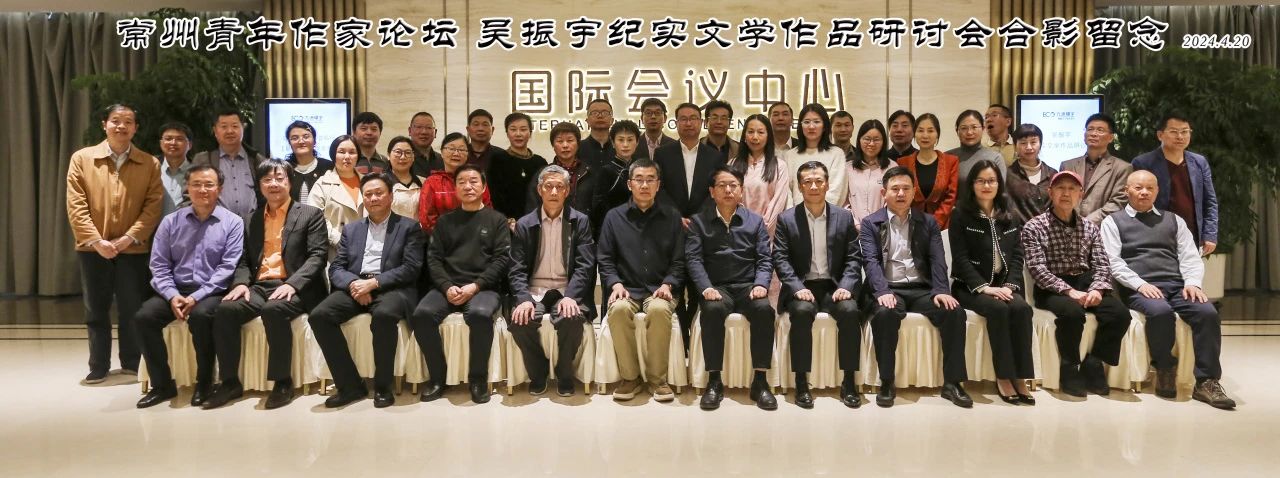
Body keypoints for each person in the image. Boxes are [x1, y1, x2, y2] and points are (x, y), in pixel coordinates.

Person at [1101, 170, 1234, 409]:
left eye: (1150, 188)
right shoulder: (1113, 222)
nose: (1144, 192)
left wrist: (1192, 283)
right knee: (1160, 312)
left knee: (1207, 313)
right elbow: (1113, 262)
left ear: (1157, 191)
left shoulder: (1174, 220)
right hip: (1138, 288)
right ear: (1126, 190)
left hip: (1177, 285)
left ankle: (1206, 381)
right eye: (1138, 188)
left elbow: (1190, 256)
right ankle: (1164, 367)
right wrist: (1140, 284)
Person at [208, 159, 327, 409]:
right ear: (260, 185)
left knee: (274, 310)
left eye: (279, 178)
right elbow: (243, 259)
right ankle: (230, 382)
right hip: (260, 285)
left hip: (296, 285)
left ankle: (282, 382)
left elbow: (317, 256)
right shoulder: (252, 218)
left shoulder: (310, 214)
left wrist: (293, 284)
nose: (274, 184)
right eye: (267, 179)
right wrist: (240, 284)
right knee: (226, 310)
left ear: (289, 182)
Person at [66, 104, 163, 384]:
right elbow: (76, 205)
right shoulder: (82, 158)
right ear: (104, 124)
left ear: (136, 128)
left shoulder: (149, 163)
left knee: (132, 307)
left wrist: (127, 238)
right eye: (115, 121)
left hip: (132, 249)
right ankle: (98, 365)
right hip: (92, 248)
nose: (121, 126)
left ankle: (132, 362)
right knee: (95, 308)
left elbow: (152, 207)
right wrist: (97, 241)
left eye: (128, 122)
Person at [310, 173, 425, 409]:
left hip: (392, 288)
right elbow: (337, 268)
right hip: (356, 285)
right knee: (320, 316)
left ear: (391, 196)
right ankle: (350, 385)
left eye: (379, 193)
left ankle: (383, 386)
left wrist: (374, 283)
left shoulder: (409, 227)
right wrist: (355, 284)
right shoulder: (352, 229)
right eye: (368, 194)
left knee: (383, 315)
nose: (373, 198)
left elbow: (411, 268)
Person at [134, 165, 244, 408]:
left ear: (219, 189)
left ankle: (204, 382)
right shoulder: (170, 222)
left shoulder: (233, 222)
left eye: (209, 185)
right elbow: (159, 265)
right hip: (175, 289)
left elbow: (227, 268)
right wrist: (172, 295)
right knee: (144, 318)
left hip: (211, 291)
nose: (202, 190)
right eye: (196, 184)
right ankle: (162, 384)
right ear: (187, 188)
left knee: (202, 317)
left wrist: (196, 297)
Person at [860, 166, 970, 408]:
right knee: (885, 314)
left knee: (954, 312)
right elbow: (871, 261)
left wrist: (941, 290)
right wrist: (882, 291)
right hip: (889, 288)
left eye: (906, 188)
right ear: (884, 193)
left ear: (913, 193)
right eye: (895, 189)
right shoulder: (870, 223)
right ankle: (887, 381)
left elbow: (937, 259)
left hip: (922, 289)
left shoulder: (928, 222)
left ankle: (953, 383)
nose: (901, 193)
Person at [1021, 171, 1129, 398]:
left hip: (1086, 282)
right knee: (1072, 313)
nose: (1066, 193)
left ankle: (1094, 362)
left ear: (1081, 194)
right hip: (1052, 287)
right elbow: (1037, 269)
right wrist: (1069, 291)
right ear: (1050, 192)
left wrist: (1097, 288)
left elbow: (1102, 264)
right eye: (1060, 188)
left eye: (1072, 189)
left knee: (1119, 314)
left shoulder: (1090, 227)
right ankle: (1069, 367)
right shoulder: (1034, 227)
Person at [413, 165, 511, 404]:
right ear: (455, 189)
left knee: (479, 314)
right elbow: (433, 259)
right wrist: (447, 286)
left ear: (484, 187)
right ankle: (438, 378)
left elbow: (501, 260)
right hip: (447, 286)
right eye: (462, 182)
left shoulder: (497, 220)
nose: (468, 186)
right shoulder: (445, 221)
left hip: (483, 288)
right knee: (422, 315)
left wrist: (475, 286)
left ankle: (477, 379)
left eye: (474, 181)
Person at [773, 161, 863, 409]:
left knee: (850, 311)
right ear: (800, 186)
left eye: (818, 181)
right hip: (802, 285)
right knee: (801, 313)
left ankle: (849, 382)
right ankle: (801, 383)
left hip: (834, 286)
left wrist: (846, 285)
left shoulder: (843, 217)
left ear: (827, 184)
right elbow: (780, 258)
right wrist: (796, 287)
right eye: (807, 182)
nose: (813, 186)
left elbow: (854, 257)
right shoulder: (787, 219)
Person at [687, 166, 778, 411]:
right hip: (717, 288)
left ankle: (760, 381)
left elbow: (765, 259)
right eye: (722, 185)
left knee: (764, 309)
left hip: (748, 286)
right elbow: (693, 259)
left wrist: (761, 284)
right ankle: (714, 381)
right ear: (712, 191)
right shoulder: (699, 222)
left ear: (741, 190)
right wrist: (706, 287)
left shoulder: (755, 221)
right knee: (712, 310)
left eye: (733, 186)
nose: (728, 190)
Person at [598, 158, 685, 403]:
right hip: (626, 288)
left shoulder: (672, 217)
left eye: (650, 180)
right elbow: (605, 258)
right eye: (639, 180)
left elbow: (680, 260)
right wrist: (615, 283)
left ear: (658, 184)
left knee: (658, 310)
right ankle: (630, 378)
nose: (644, 185)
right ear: (629, 184)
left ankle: (658, 380)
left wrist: (668, 283)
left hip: (660, 288)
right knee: (617, 310)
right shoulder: (614, 217)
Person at [949, 160, 1035, 405]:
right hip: (971, 287)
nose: (986, 186)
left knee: (1022, 309)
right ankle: (1004, 375)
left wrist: (1009, 286)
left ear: (999, 184)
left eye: (991, 181)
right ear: (972, 184)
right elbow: (960, 258)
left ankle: (1021, 376)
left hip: (1004, 284)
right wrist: (985, 288)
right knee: (998, 309)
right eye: (981, 181)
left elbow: (1017, 255)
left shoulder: (1010, 214)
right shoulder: (960, 214)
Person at [508, 165, 595, 397]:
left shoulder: (580, 221)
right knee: (520, 321)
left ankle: (564, 374)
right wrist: (523, 299)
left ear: (567, 191)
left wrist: (571, 297)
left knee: (571, 318)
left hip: (566, 289)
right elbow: (516, 268)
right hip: (534, 290)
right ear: (540, 190)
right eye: (549, 186)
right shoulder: (525, 224)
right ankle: (538, 373)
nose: (554, 191)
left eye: (559, 187)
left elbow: (585, 265)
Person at [655, 102, 726, 339]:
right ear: (675, 123)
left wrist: (696, 219)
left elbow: (714, 191)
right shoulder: (663, 153)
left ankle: (695, 340)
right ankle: (680, 340)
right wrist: (677, 217)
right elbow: (660, 189)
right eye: (683, 119)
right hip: (671, 229)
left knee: (698, 286)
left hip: (702, 229)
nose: (688, 123)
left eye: (693, 118)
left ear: (702, 123)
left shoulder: (714, 156)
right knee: (674, 284)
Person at [1131, 114, 1219, 256]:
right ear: (1160, 135)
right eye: (1173, 131)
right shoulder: (1143, 162)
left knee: (1191, 271)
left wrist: (1210, 235)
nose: (1180, 136)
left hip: (1191, 235)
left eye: (1185, 131)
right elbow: (1136, 203)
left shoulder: (1199, 162)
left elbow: (1210, 201)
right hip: (1155, 235)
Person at [192, 109, 268, 224]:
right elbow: (190, 194)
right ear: (215, 131)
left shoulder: (257, 160)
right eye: (224, 126)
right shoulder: (203, 160)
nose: (230, 131)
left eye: (235, 126)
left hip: (252, 226)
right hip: (215, 225)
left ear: (243, 128)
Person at [1060, 113, 1132, 224]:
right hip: (1067, 226)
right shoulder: (1067, 165)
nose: (1093, 134)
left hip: (1102, 228)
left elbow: (1117, 202)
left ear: (1111, 138)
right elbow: (1061, 196)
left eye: (1100, 130)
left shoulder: (1123, 168)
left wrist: (1086, 223)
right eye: (1090, 129)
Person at [527, 122, 597, 231]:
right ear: (553, 146)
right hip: (550, 230)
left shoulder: (589, 173)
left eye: (570, 140)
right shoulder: (543, 174)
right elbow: (532, 207)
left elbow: (597, 208)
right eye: (559, 141)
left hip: (583, 231)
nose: (565, 145)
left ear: (578, 144)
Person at [728, 114, 790, 237]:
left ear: (768, 136)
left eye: (761, 132)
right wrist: (743, 227)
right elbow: (729, 199)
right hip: (737, 233)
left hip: (768, 234)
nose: (755, 137)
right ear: (744, 136)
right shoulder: (732, 164)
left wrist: (761, 229)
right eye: (750, 132)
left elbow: (778, 203)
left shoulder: (779, 166)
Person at [419, 132, 493, 234]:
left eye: (461, 149)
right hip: (442, 240)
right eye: (451, 148)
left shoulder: (477, 180)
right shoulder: (432, 182)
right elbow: (427, 219)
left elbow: (487, 212)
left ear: (467, 154)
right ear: (442, 152)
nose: (456, 153)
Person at [896, 113, 959, 229]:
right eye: (920, 130)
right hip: (911, 225)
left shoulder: (951, 162)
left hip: (942, 227)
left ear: (937, 134)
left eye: (930, 131)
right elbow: (901, 195)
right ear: (914, 134)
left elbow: (950, 197)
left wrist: (934, 224)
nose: (925, 135)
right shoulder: (903, 162)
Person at [307, 135, 365, 256]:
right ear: (333, 155)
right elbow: (315, 219)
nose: (347, 157)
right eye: (341, 152)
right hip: (334, 250)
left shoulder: (368, 182)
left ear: (358, 156)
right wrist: (340, 241)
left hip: (366, 249)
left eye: (352, 152)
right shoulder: (322, 184)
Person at [489, 112, 548, 221]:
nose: (518, 134)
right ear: (507, 133)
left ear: (530, 133)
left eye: (523, 129)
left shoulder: (540, 162)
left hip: (536, 221)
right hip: (506, 222)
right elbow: (494, 196)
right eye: (513, 129)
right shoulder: (497, 160)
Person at [787, 103, 849, 207]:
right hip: (795, 215)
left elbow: (836, 191)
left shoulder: (836, 154)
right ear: (800, 126)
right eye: (806, 122)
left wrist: (818, 212)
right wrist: (794, 214)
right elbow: (787, 192)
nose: (811, 126)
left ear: (824, 126)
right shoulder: (790, 155)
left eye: (816, 122)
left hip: (828, 214)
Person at [592, 120, 642, 237]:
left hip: (640, 229)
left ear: (637, 142)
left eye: (630, 140)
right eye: (621, 140)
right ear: (613, 143)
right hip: (614, 229)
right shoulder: (606, 171)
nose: (625, 144)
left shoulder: (642, 170)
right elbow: (598, 206)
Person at [947, 110, 1006, 202]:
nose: (969, 132)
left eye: (974, 127)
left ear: (983, 129)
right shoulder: (947, 157)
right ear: (957, 131)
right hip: (953, 210)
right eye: (964, 128)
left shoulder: (995, 158)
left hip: (985, 210)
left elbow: (1000, 192)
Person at [1006, 124, 1058, 224]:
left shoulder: (1053, 174)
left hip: (1049, 231)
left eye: (1033, 142)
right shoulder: (1008, 175)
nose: (1029, 147)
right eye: (1023, 143)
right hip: (1020, 231)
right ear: (1015, 146)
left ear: (1040, 144)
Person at [846, 119, 891, 226]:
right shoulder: (847, 168)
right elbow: (844, 202)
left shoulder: (891, 167)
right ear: (859, 140)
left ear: (883, 142)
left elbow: (892, 201)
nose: (871, 143)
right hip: (853, 228)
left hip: (882, 228)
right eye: (867, 139)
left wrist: (878, 224)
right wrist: (856, 224)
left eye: (876, 139)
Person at [283, 120, 332, 206]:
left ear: (314, 141)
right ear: (289, 143)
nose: (301, 141)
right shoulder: (283, 168)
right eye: (295, 138)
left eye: (306, 137)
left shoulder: (328, 167)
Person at [157, 122, 193, 215]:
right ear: (161, 143)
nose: (173, 143)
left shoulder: (197, 172)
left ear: (189, 145)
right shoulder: (151, 169)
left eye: (179, 139)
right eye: (168, 139)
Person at [386, 136, 424, 221]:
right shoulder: (380, 183)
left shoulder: (424, 182)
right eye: (398, 152)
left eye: (408, 152)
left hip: (418, 229)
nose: (403, 157)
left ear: (413, 157)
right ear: (388, 155)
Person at [580, 99, 615, 167]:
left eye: (605, 113)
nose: (600, 116)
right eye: (594, 113)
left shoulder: (621, 148)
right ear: (587, 121)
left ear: (612, 120)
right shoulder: (578, 148)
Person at [408, 111, 442, 176]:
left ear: (435, 132)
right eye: (419, 127)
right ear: (410, 131)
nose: (424, 132)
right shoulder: (402, 159)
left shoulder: (442, 160)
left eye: (429, 127)